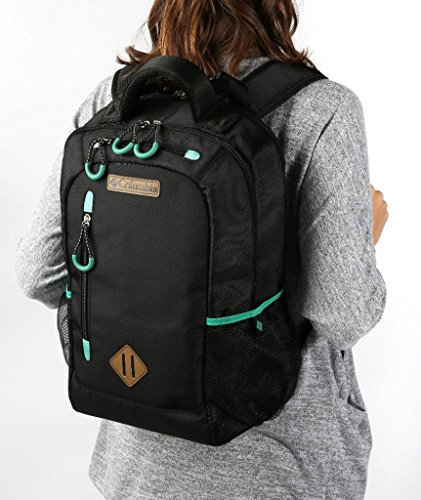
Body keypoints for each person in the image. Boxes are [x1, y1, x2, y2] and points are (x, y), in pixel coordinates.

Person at [15, 0, 388, 499]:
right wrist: (367, 234)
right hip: (278, 469)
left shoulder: (117, 101)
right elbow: (343, 315)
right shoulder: (321, 108)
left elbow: (37, 275)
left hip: (137, 464)